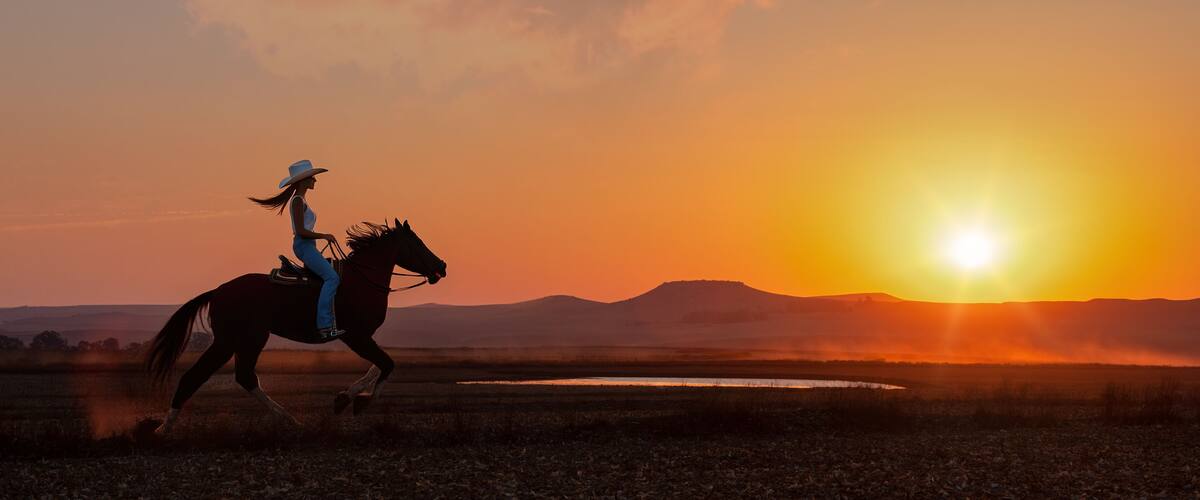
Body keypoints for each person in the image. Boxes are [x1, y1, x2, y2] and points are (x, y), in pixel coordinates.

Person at [248, 160, 345, 339]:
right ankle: (324, 325)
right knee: (332, 277)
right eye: (312, 177)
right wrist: (324, 236)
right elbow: (300, 231)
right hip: (304, 246)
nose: (315, 180)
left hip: (308, 246)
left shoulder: (300, 200)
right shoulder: (298, 201)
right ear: (304, 180)